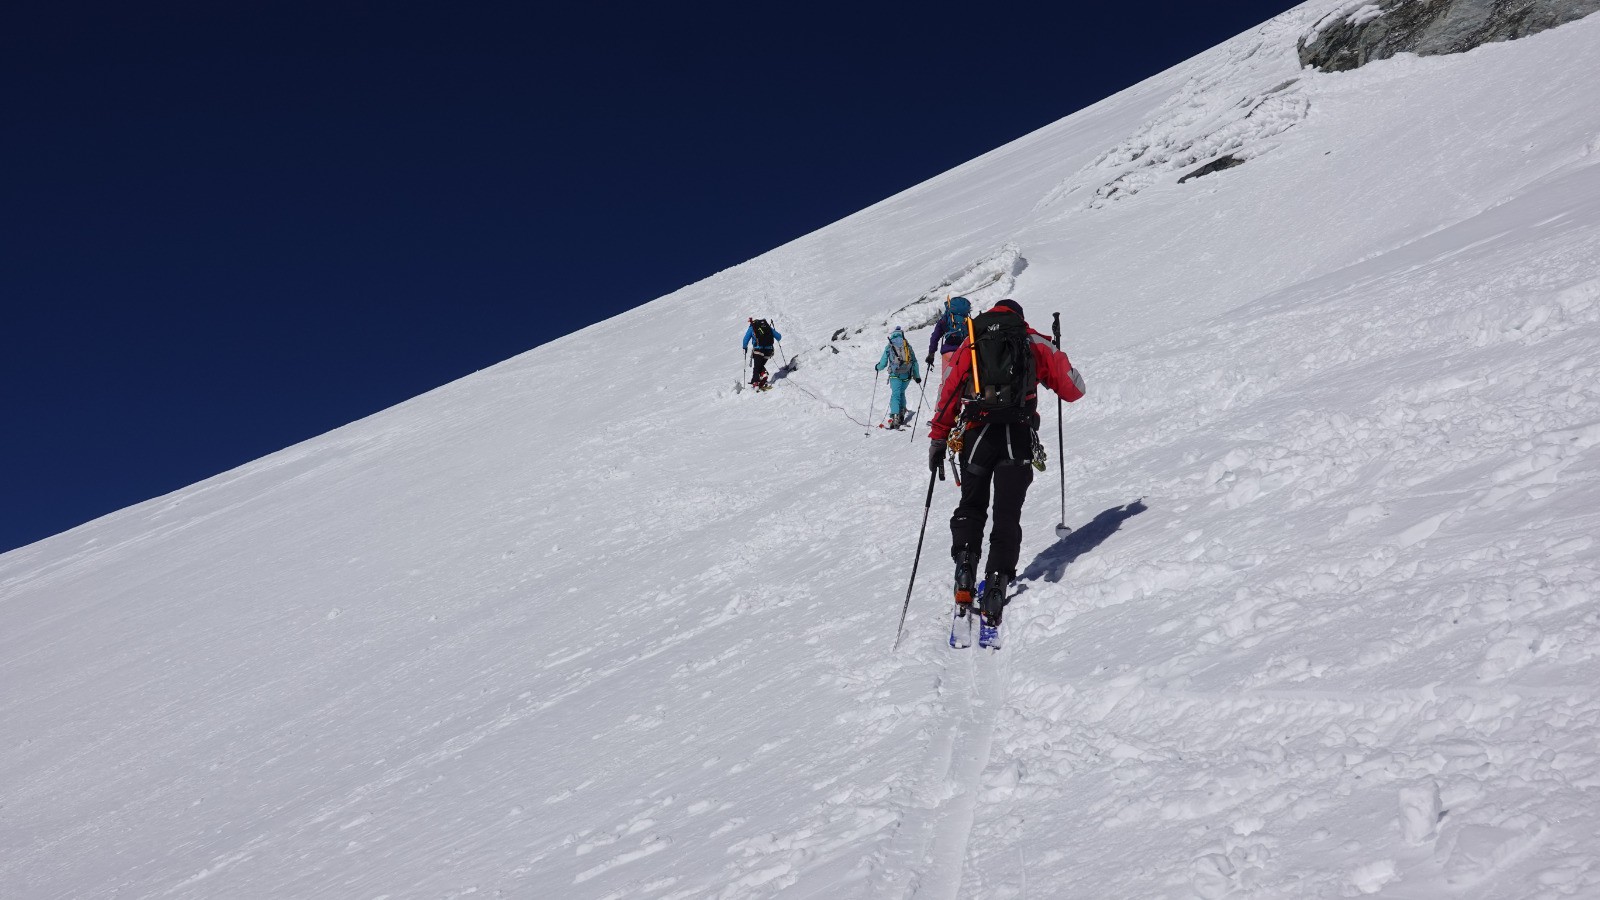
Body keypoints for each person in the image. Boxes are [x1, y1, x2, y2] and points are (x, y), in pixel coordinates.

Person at [925, 299, 1085, 625]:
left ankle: (966, 567)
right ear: (1019, 317)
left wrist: (939, 438)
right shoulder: (1032, 340)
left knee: (971, 505)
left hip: (976, 436)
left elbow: (949, 390)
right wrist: (1057, 352)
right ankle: (996, 584)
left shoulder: (972, 341)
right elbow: (1074, 389)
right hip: (1017, 437)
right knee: (1007, 514)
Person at [873, 326, 922, 428]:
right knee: (901, 392)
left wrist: (877, 367)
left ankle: (895, 417)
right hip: (907, 375)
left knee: (895, 395)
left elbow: (883, 363)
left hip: (895, 375)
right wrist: (917, 376)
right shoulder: (907, 346)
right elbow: (914, 361)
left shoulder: (890, 346)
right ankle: (902, 412)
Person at [926, 296, 972, 380]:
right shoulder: (968, 320)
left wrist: (931, 353)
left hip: (948, 352)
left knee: (947, 381)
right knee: (965, 380)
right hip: (965, 352)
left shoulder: (945, 319)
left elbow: (935, 336)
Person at [741, 318, 782, 389]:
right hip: (769, 351)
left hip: (758, 350)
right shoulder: (767, 327)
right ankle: (762, 375)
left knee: (757, 367)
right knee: (759, 365)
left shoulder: (752, 328)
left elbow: (745, 339)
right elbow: (779, 337)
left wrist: (745, 347)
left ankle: (756, 382)